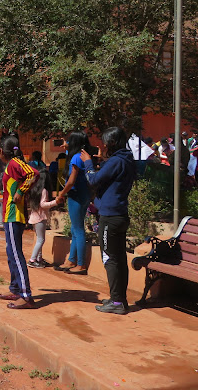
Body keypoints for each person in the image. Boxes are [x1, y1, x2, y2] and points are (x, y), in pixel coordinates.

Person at [80, 127, 136, 315]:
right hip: (120, 214)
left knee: (110, 258)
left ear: (112, 143)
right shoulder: (126, 159)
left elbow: (93, 180)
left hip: (110, 217)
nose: (102, 145)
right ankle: (119, 298)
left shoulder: (116, 161)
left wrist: (88, 164)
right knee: (119, 259)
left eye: (105, 142)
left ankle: (118, 302)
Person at [0, 135, 39, 309]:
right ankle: (15, 289)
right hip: (8, 215)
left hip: (14, 215)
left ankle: (26, 296)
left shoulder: (14, 163)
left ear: (0, 151)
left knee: (16, 254)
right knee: (11, 253)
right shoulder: (10, 165)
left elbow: (33, 173)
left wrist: (22, 190)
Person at [55, 130, 92, 275]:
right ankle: (71, 260)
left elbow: (71, 181)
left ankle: (81, 264)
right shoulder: (83, 157)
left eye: (68, 141)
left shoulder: (76, 158)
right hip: (84, 195)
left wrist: (61, 195)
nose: (65, 143)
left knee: (78, 229)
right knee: (75, 229)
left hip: (76, 196)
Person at [27, 168, 58, 268]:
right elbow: (43, 204)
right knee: (41, 240)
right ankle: (32, 259)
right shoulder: (44, 190)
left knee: (39, 239)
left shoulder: (35, 189)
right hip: (40, 218)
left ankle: (39, 258)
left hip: (35, 217)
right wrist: (55, 202)